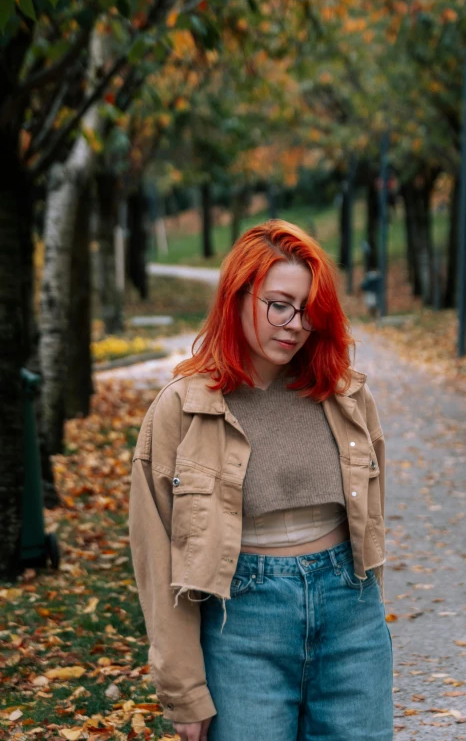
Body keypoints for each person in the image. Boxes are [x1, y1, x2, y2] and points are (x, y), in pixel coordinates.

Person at [129, 220, 393, 741]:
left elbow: (371, 519)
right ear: (237, 296)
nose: (294, 324)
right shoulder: (181, 410)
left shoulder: (347, 397)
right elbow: (156, 561)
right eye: (279, 304)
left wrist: (362, 610)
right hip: (241, 626)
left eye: (308, 312)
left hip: (351, 617)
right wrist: (185, 691)